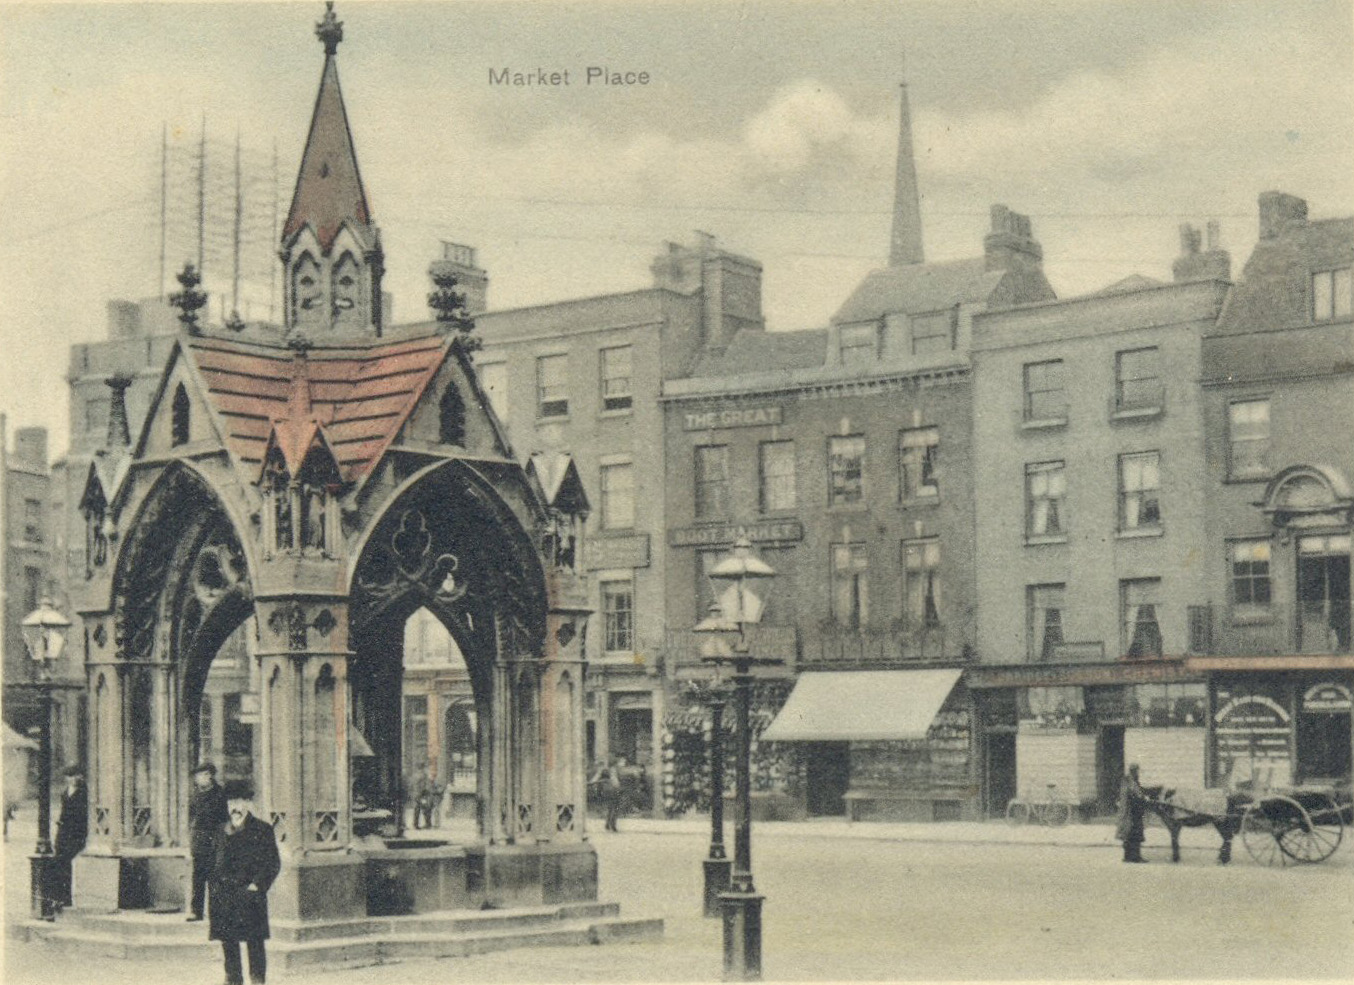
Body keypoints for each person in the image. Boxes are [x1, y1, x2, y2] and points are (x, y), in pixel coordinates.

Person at [209, 785, 281, 985]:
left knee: (254, 940)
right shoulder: (219, 830)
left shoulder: (262, 829)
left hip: (249, 893)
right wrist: (214, 887)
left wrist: (257, 885)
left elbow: (272, 862)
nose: (235, 807)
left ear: (249, 804)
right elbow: (213, 861)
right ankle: (233, 978)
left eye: (240, 803)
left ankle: (257, 979)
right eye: (232, 803)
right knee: (228, 940)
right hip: (224, 894)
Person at [187, 762, 229, 922]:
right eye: (198, 776)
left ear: (210, 776)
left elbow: (223, 820)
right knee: (197, 877)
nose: (200, 779)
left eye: (203, 775)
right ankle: (196, 911)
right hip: (199, 841)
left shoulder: (219, 794)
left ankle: (215, 914)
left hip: (214, 840)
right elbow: (193, 819)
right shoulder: (196, 795)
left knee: (215, 878)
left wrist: (221, 843)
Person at [52, 766, 88, 910]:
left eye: (76, 775)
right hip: (64, 834)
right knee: (60, 865)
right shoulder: (65, 793)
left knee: (65, 863)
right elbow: (62, 814)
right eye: (70, 776)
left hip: (76, 834)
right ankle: (61, 899)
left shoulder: (84, 792)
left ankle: (63, 899)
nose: (73, 779)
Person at [1116, 763, 1148, 863]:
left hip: (1128, 813)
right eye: (1138, 771)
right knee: (1135, 836)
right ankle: (1136, 857)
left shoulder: (1126, 780)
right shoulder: (1131, 782)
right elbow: (1136, 795)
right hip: (1132, 814)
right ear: (1134, 771)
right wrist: (1144, 798)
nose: (1139, 773)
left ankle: (1127, 857)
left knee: (1129, 836)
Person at [591, 757, 623, 832]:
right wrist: (619, 788)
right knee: (615, 808)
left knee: (610, 807)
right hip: (613, 790)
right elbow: (615, 781)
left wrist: (591, 783)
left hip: (606, 790)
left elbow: (595, 778)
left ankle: (607, 824)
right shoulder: (613, 770)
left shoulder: (603, 770)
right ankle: (613, 825)